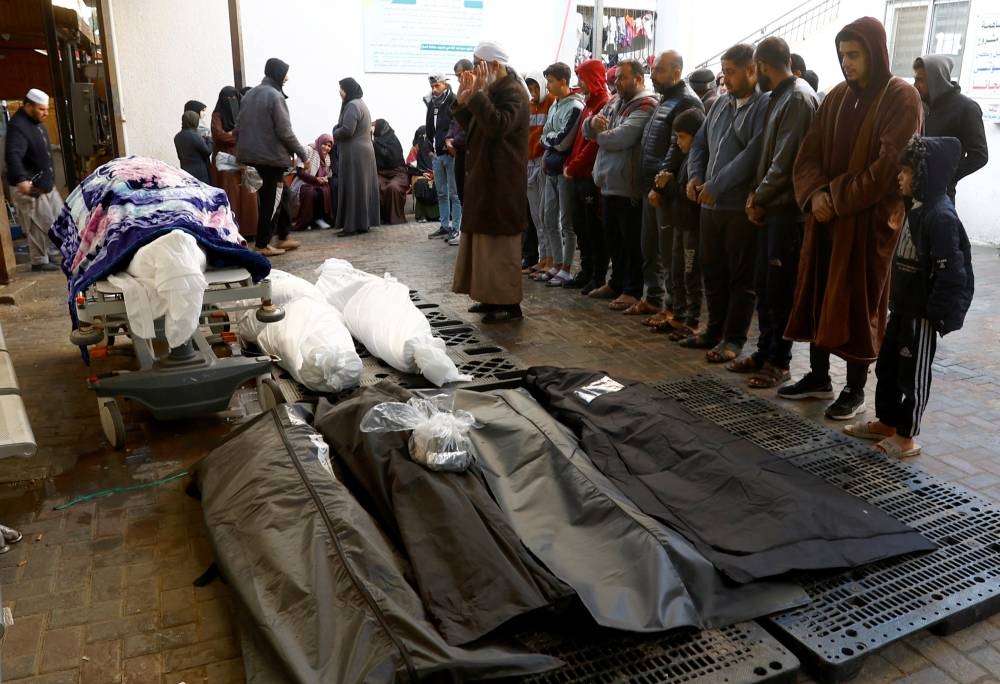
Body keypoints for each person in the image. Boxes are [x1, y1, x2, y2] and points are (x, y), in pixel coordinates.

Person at [781, 17, 923, 420]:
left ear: (875, 53)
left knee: (861, 301)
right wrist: (814, 196)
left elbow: (887, 168)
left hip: (868, 223)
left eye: (855, 55)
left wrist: (837, 198)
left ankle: (855, 387)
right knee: (819, 291)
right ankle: (818, 376)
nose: (847, 63)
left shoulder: (901, 96)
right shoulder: (837, 95)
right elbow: (807, 153)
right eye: (843, 55)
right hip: (827, 218)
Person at [844, 136, 973, 457]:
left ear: (926, 175)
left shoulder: (940, 217)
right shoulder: (915, 208)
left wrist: (934, 314)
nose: (900, 177)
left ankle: (906, 436)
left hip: (921, 314)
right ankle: (887, 421)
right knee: (888, 368)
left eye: (907, 172)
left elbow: (952, 273)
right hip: (902, 309)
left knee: (912, 375)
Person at [734, 37, 818, 389]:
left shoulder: (797, 97)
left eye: (757, 69)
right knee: (765, 286)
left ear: (764, 65)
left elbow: (785, 162)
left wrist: (760, 198)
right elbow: (767, 156)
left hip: (787, 211)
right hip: (772, 207)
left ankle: (779, 362)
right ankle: (765, 350)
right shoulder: (778, 96)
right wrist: (757, 196)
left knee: (780, 289)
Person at [683, 44, 768, 364]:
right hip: (709, 205)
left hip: (736, 207)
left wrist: (717, 186)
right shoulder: (719, 105)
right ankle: (713, 330)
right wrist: (694, 176)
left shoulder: (763, 107)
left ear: (752, 70)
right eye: (724, 72)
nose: (725, 79)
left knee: (741, 278)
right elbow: (700, 144)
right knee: (712, 270)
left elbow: (752, 155)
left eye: (731, 72)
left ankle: (734, 339)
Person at [451, 41, 530, 323]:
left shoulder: (514, 92)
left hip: (501, 181)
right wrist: (463, 102)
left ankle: (508, 303)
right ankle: (488, 297)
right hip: (485, 178)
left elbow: (497, 125)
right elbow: (477, 125)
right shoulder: (493, 90)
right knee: (482, 244)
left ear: (494, 65)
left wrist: (477, 97)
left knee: (499, 246)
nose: (475, 71)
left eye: (478, 64)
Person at [584, 58, 658, 311]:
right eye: (615, 78)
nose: (616, 82)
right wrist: (592, 125)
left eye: (622, 78)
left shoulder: (646, 105)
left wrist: (598, 134)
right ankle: (615, 283)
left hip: (629, 185)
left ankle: (632, 289)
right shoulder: (616, 101)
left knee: (630, 242)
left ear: (638, 79)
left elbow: (621, 138)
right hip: (608, 181)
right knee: (612, 238)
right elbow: (588, 127)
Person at [636, 50, 703, 321]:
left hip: (664, 190)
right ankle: (652, 299)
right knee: (649, 247)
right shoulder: (665, 99)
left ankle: (673, 307)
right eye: (653, 69)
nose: (653, 75)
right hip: (651, 185)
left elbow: (678, 148)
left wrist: (662, 183)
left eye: (660, 70)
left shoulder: (687, 101)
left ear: (676, 72)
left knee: (669, 254)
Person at [236, 58, 308, 256]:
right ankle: (261, 244)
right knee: (271, 200)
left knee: (282, 194)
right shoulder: (275, 96)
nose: (287, 78)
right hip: (270, 159)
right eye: (285, 73)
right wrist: (303, 154)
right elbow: (285, 132)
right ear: (277, 73)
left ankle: (283, 236)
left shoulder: (249, 94)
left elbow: (238, 126)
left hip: (253, 157)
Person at [654, 107, 705, 339]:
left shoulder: (699, 161)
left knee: (690, 274)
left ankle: (693, 320)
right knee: (677, 271)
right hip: (680, 224)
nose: (678, 142)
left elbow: (691, 194)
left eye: (682, 137)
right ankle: (679, 315)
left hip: (692, 226)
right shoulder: (685, 158)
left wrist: (670, 184)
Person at [564, 59, 611, 295]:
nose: (579, 82)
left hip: (589, 175)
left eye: (582, 78)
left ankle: (598, 274)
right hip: (579, 173)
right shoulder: (588, 104)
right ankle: (586, 270)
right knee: (581, 225)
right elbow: (581, 139)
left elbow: (593, 144)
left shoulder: (603, 103)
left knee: (593, 227)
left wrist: (574, 166)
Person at [912, 55, 988, 202]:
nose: (915, 85)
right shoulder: (924, 105)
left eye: (920, 80)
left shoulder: (966, 108)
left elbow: (979, 155)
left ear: (936, 80)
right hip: (916, 192)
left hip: (940, 196)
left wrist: (946, 176)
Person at [536, 62, 584, 287]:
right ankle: (556, 262)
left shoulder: (575, 106)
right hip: (550, 168)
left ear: (563, 81)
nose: (548, 85)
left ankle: (566, 266)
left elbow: (563, 141)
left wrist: (549, 141)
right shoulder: (555, 105)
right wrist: (549, 141)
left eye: (551, 81)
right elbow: (545, 134)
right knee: (548, 217)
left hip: (564, 170)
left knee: (566, 221)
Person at [4, 88, 63, 271]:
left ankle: (53, 253)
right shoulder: (18, 126)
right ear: (28, 106)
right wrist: (21, 179)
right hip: (30, 186)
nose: (45, 113)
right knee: (38, 223)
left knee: (59, 218)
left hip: (45, 184)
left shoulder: (35, 123)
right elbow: (13, 154)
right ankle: (39, 261)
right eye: (41, 109)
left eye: (46, 109)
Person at [332, 77, 380, 237]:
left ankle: (351, 226)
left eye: (342, 88)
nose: (340, 92)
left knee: (353, 186)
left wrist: (334, 131)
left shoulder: (352, 105)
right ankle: (362, 223)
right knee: (361, 187)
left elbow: (347, 130)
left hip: (355, 152)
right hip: (363, 151)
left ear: (348, 89)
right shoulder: (361, 104)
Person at [210, 86, 258, 238]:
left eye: (233, 98)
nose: (230, 102)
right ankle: (232, 231)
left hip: (243, 159)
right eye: (227, 99)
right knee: (231, 194)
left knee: (247, 194)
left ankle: (250, 231)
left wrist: (232, 135)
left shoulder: (242, 114)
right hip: (225, 162)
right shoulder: (217, 115)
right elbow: (218, 135)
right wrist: (236, 136)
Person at [424, 73, 462, 240]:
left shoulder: (453, 100)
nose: (434, 89)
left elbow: (457, 126)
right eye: (432, 86)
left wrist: (452, 146)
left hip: (450, 154)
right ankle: (444, 226)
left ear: (445, 84)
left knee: (454, 193)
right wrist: (429, 149)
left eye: (437, 85)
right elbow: (429, 127)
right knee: (441, 193)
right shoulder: (432, 104)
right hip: (437, 155)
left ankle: (456, 227)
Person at [525, 73, 555, 274]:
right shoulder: (528, 106)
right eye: (531, 89)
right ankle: (543, 257)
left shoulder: (552, 103)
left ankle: (551, 259)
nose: (533, 93)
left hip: (543, 162)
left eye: (536, 88)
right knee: (536, 215)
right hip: (528, 163)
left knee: (547, 215)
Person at [445, 58, 475, 237]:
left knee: (467, 195)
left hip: (467, 151)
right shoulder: (461, 93)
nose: (458, 80)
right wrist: (449, 139)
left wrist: (454, 142)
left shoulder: (474, 93)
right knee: (460, 193)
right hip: (457, 151)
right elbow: (454, 121)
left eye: (460, 75)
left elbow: (470, 126)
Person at [290, 133, 336, 231]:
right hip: (303, 182)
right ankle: (305, 222)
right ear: (320, 142)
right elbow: (299, 172)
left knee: (327, 190)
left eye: (329, 146)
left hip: (317, 184)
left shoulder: (327, 157)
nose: (326, 148)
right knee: (310, 192)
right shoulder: (308, 150)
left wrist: (325, 179)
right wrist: (315, 179)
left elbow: (328, 174)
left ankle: (320, 219)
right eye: (324, 144)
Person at [372, 119, 410, 225]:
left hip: (398, 172)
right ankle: (378, 218)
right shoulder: (373, 141)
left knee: (393, 187)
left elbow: (388, 156)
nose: (373, 127)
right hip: (381, 173)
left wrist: (375, 145)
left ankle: (394, 218)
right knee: (375, 185)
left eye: (375, 125)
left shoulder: (393, 140)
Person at [407, 125, 439, 223]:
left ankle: (437, 215)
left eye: (427, 136)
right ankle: (421, 215)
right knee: (421, 184)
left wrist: (435, 173)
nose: (425, 139)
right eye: (423, 136)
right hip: (419, 173)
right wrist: (422, 172)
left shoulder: (435, 147)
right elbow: (410, 165)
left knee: (439, 184)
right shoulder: (415, 148)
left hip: (436, 173)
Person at [174, 111, 212, 184]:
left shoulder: (177, 137)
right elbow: (207, 151)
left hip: (185, 172)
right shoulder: (194, 135)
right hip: (200, 174)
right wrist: (209, 139)